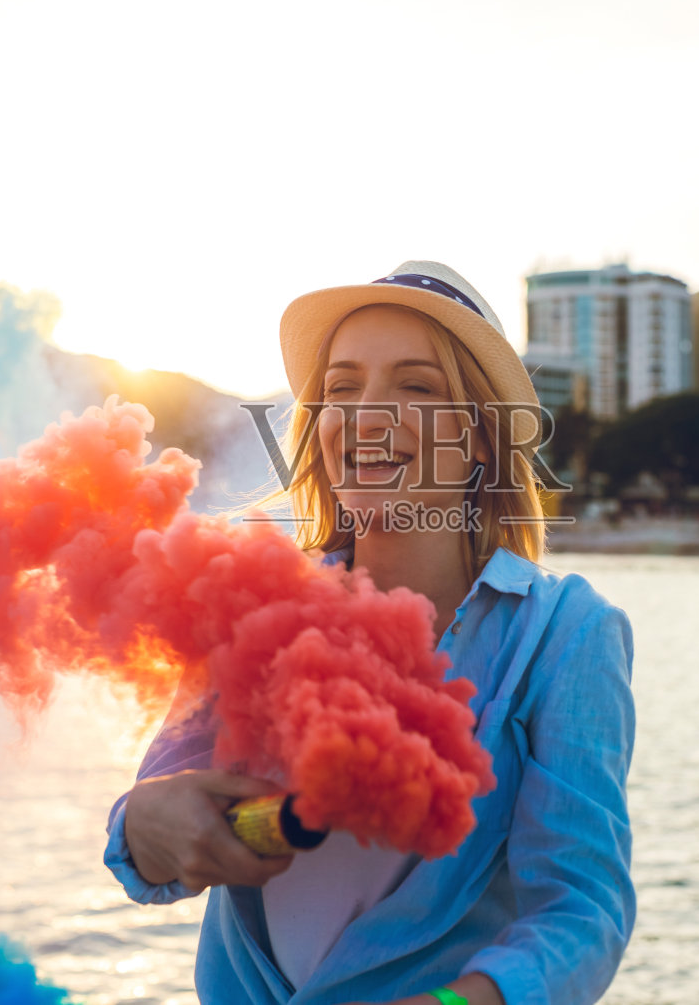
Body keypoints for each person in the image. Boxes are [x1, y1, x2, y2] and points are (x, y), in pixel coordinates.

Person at [104, 261, 636, 1005]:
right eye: (343, 389)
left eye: (415, 386)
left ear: (482, 438)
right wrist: (144, 822)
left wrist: (456, 1003)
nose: (365, 415)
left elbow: (583, 909)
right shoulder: (253, 598)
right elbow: (152, 818)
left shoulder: (566, 633)